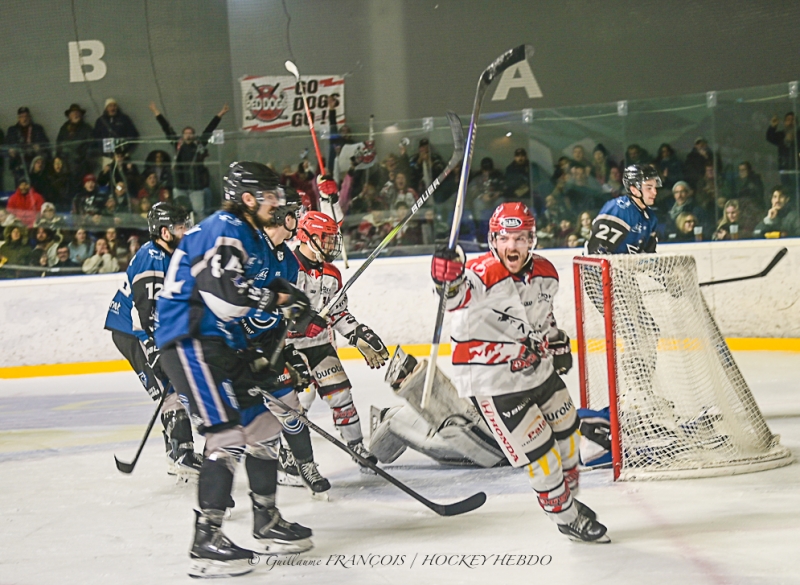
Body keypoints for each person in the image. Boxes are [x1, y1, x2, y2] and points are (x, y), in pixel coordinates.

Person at [155, 161, 316, 578]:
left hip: (218, 341)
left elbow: (239, 302)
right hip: (190, 340)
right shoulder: (226, 226)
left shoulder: (247, 234)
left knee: (263, 426)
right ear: (248, 199)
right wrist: (281, 300)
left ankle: (266, 519)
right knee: (225, 434)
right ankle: (206, 539)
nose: (277, 204)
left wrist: (267, 344)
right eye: (270, 197)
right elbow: (226, 298)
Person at [429, 202, 608, 543]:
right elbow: (454, 298)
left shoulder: (546, 273)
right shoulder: (480, 273)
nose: (513, 246)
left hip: (538, 371)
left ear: (532, 240)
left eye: (521, 238)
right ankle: (566, 516)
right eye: (505, 238)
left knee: (570, 436)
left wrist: (556, 342)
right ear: (493, 239)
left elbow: (543, 322)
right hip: (494, 381)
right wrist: (444, 278)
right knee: (541, 454)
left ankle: (564, 496)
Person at [104, 203, 202, 477]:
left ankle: (175, 453)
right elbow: (144, 313)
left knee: (173, 380)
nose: (187, 231)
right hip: (132, 331)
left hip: (151, 329)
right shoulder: (151, 258)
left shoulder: (174, 254)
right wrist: (156, 349)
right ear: (164, 232)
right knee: (169, 387)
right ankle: (182, 452)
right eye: (180, 227)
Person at [290, 211, 389, 470]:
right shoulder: (287, 267)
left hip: (320, 346)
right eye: (326, 238)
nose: (332, 245)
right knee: (300, 401)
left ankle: (356, 446)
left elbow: (338, 313)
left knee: (341, 396)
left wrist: (358, 334)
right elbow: (273, 311)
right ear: (306, 237)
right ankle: (287, 454)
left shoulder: (332, 274)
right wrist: (301, 323)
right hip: (288, 348)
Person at [148, 101, 229, 220]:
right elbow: (166, 128)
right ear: (182, 135)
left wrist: (220, 114)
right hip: (180, 185)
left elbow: (209, 129)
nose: (188, 135)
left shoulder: (199, 145)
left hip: (195, 186)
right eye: (186, 134)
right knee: (179, 212)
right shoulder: (178, 145)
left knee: (199, 212)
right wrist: (156, 112)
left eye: (191, 133)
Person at [4, 107, 50, 184]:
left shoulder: (37, 129)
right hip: (19, 164)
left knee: (35, 187)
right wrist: (10, 151)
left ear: (29, 117)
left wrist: (39, 149)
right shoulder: (12, 130)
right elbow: (6, 146)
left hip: (34, 163)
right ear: (18, 118)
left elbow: (46, 144)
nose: (24, 119)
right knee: (21, 188)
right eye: (22, 117)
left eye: (26, 116)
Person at [56, 103, 95, 190]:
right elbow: (58, 144)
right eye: (73, 113)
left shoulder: (86, 128)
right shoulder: (64, 128)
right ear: (69, 116)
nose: (76, 114)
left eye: (78, 113)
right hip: (65, 166)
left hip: (81, 165)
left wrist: (85, 161)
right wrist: (58, 158)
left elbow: (92, 146)